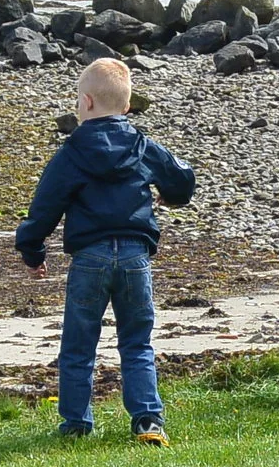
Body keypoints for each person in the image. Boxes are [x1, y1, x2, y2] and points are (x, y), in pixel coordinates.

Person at [16, 58, 197, 444]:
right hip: (134, 255)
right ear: (127, 107)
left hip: (90, 257)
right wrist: (170, 195)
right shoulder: (142, 146)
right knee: (136, 340)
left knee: (79, 343)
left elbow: (44, 207)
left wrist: (32, 251)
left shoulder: (70, 154)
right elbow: (182, 178)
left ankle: (77, 424)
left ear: (86, 103)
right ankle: (148, 421)